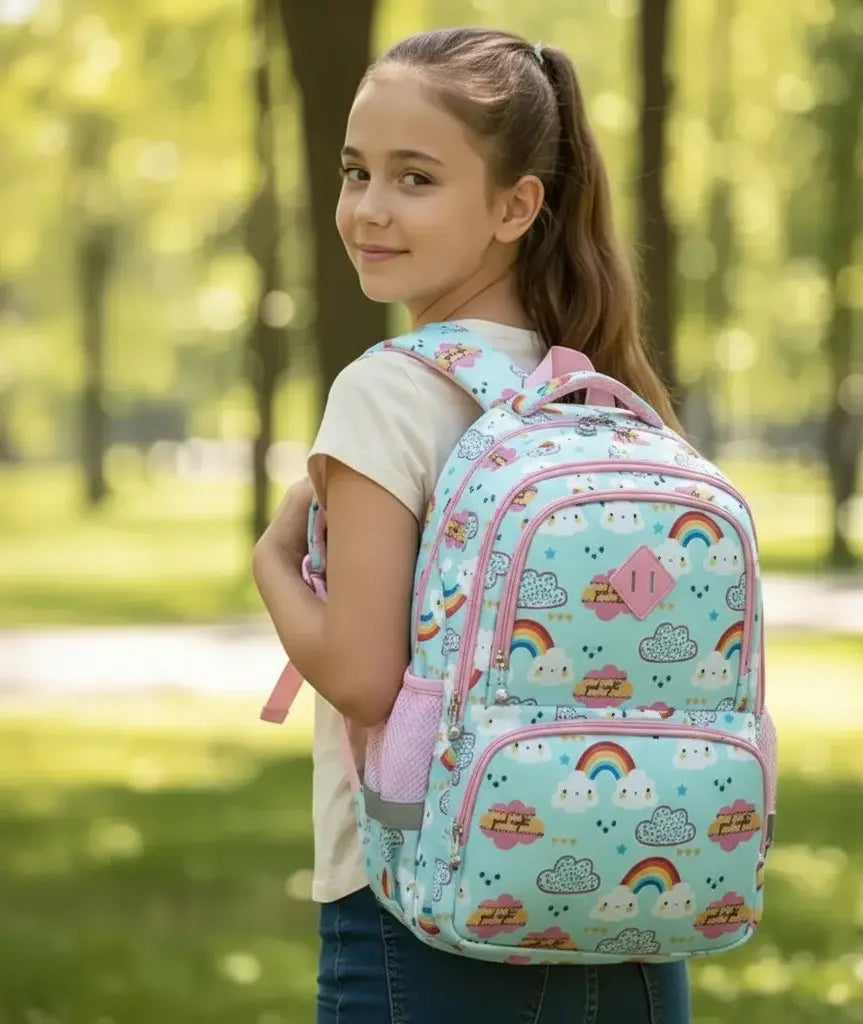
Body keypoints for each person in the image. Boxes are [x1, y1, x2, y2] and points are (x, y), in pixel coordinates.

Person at [252, 26, 690, 1024]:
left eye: (415, 178)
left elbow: (362, 676)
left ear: (515, 206)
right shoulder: (603, 393)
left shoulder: (389, 392)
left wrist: (271, 561)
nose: (369, 208)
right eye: (356, 172)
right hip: (639, 908)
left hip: (428, 911)